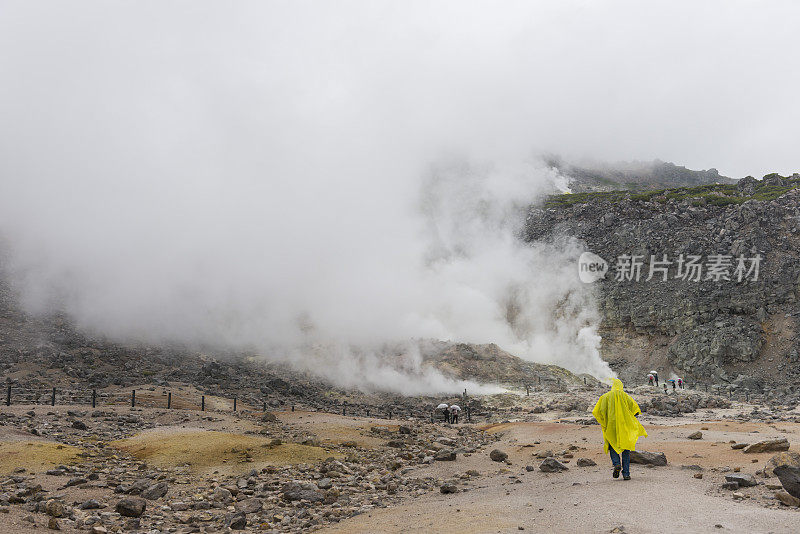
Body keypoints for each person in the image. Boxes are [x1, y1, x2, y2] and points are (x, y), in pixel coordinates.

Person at [592, 379, 648, 481]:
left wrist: (605, 420)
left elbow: (597, 411)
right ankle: (626, 474)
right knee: (626, 449)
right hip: (624, 426)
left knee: (612, 445)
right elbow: (635, 409)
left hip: (611, 425)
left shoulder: (605, 397)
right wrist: (630, 418)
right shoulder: (625, 396)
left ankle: (617, 463)